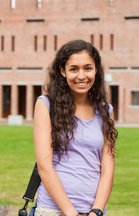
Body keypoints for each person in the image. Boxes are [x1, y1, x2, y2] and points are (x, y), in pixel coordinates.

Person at [33, 39, 118, 216]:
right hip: (53, 210)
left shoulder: (105, 110)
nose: (81, 76)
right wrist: (71, 213)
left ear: (96, 70)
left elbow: (108, 168)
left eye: (88, 68)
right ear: (62, 71)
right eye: (74, 69)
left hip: (94, 211)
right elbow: (44, 167)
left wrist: (96, 211)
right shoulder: (46, 105)